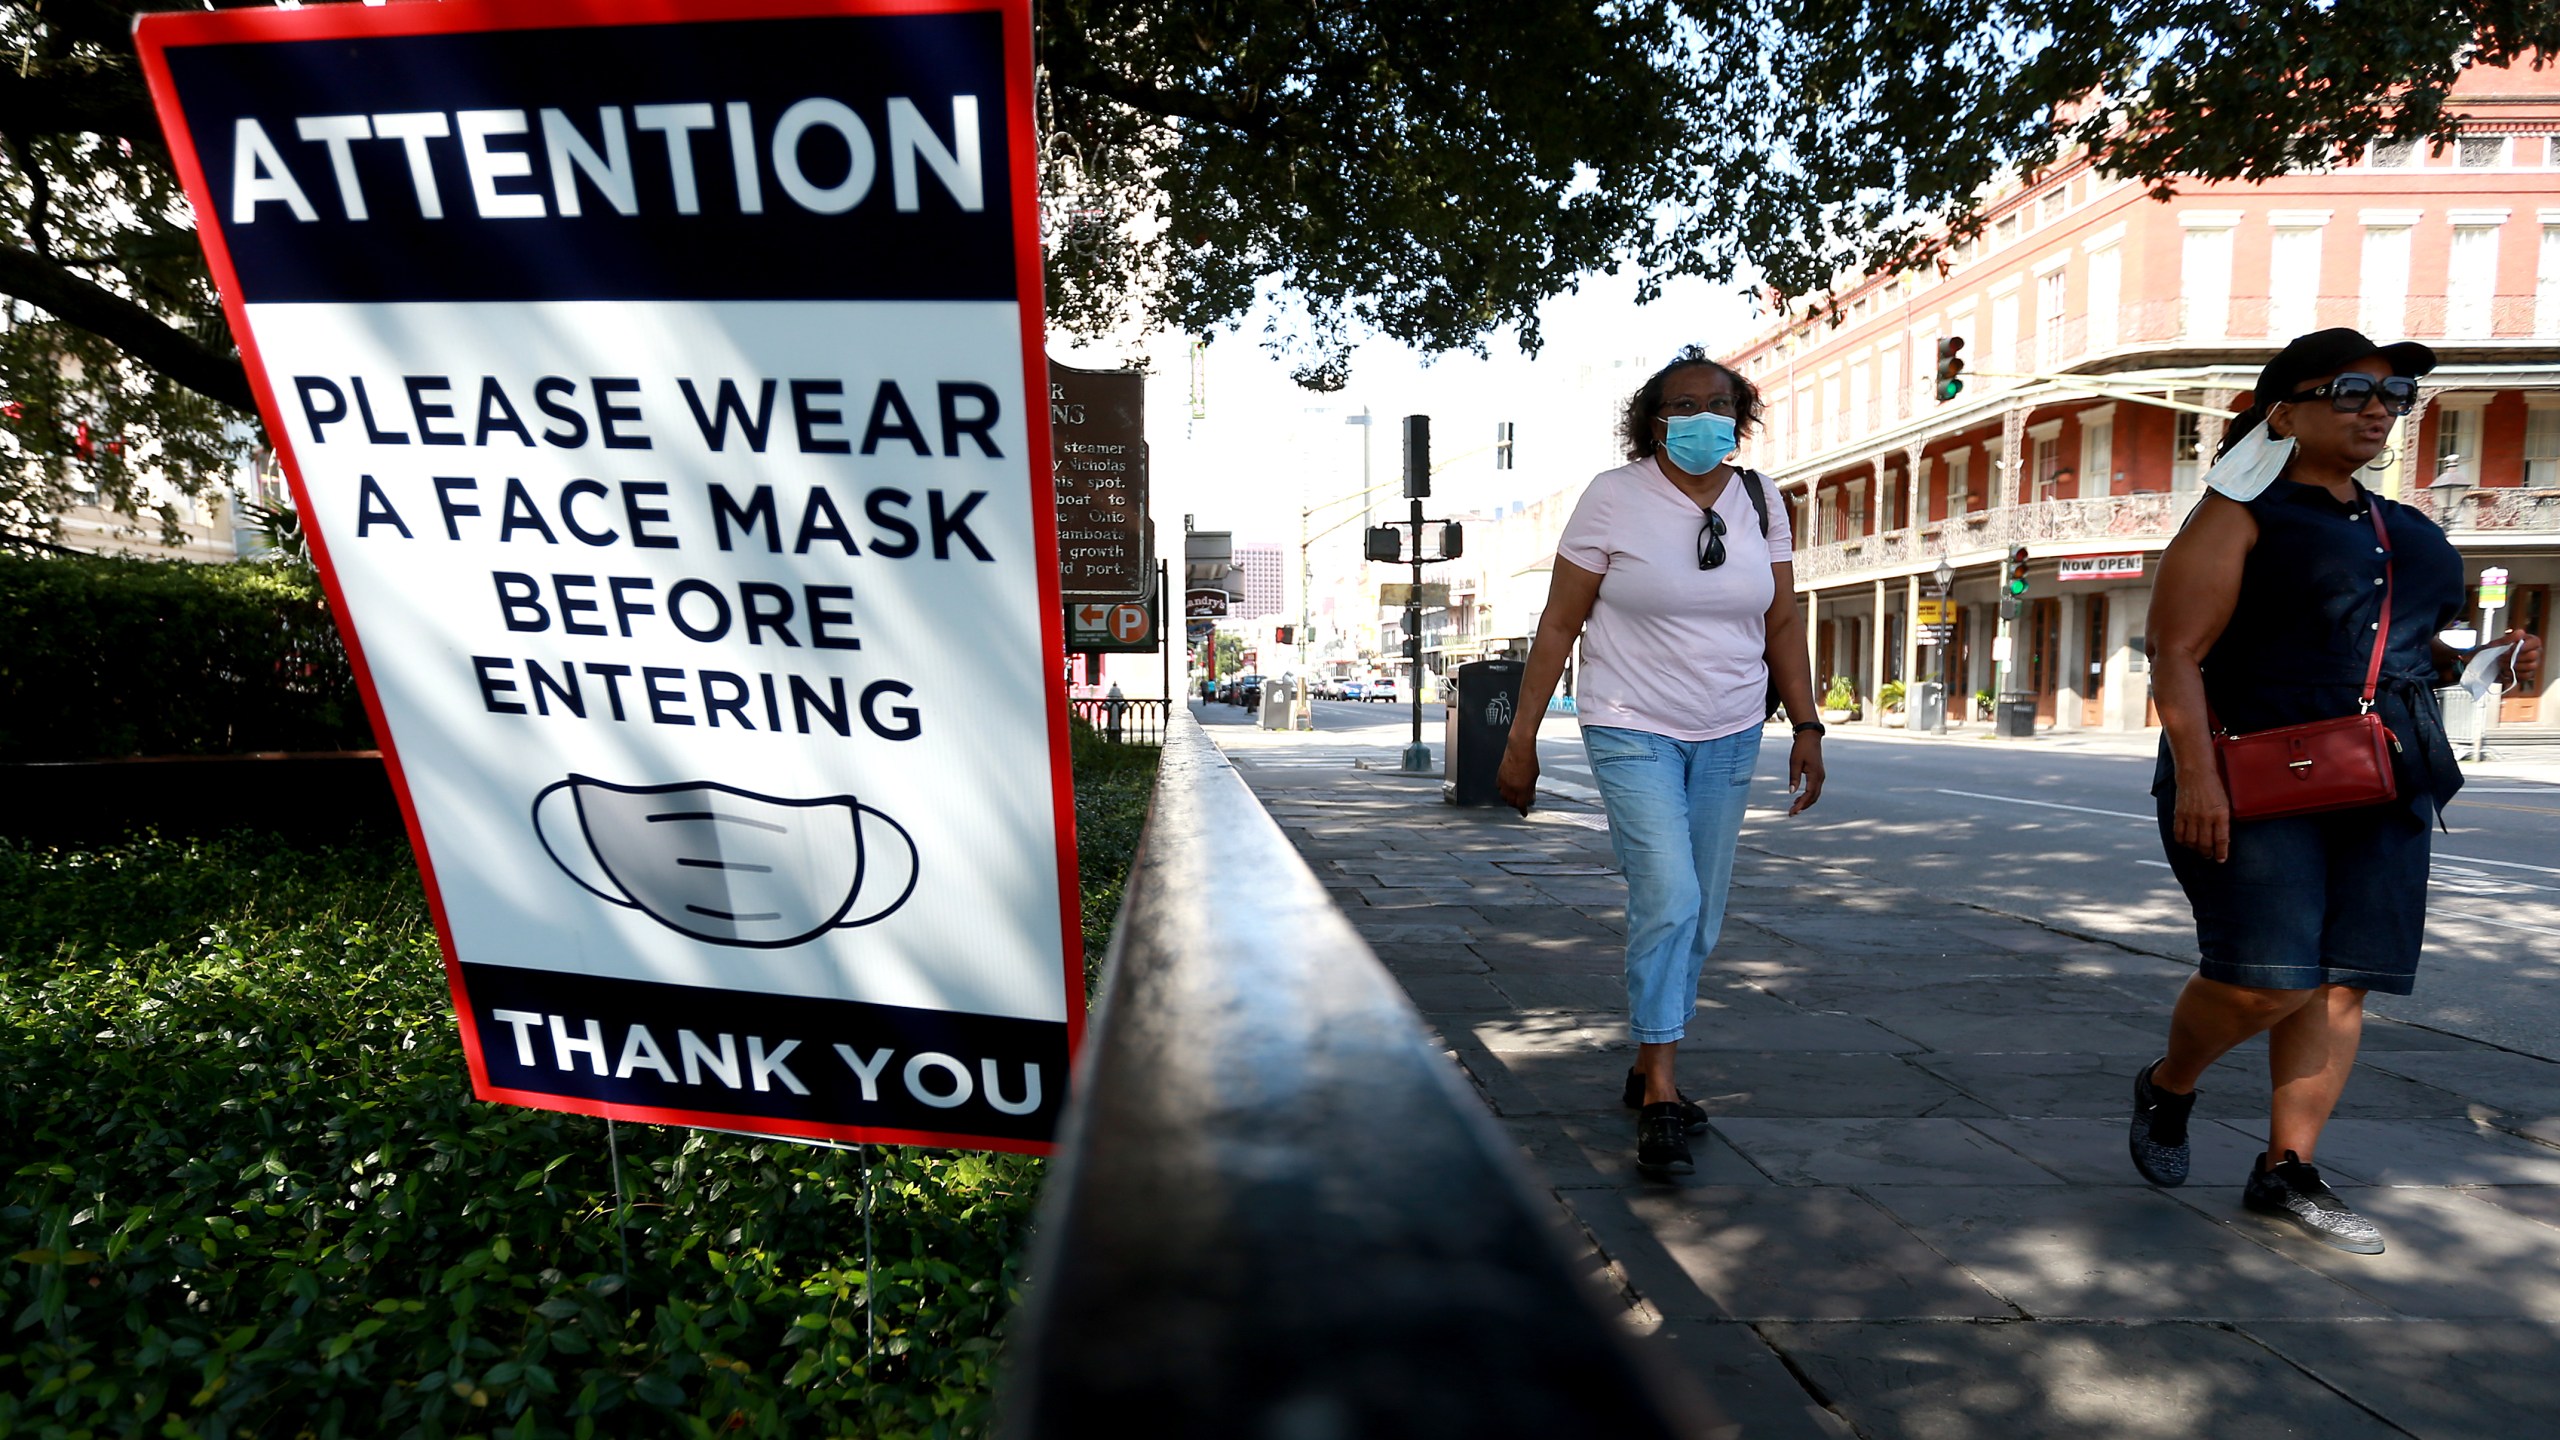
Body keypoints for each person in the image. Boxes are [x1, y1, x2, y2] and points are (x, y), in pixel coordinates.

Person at [2133, 328, 2542, 1253]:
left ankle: (2287, 1170)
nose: (2376, 408)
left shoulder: (2409, 530)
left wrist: (2485, 658)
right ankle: (2170, 1085)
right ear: (2283, 411)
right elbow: (2176, 651)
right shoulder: (2238, 514)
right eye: (2351, 389)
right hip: (2251, 774)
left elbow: (2405, 652)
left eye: (2392, 397)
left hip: (2385, 775)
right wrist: (2197, 775)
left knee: (2343, 985)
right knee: (2263, 982)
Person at [1495, 345, 1825, 1179]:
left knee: (1702, 912)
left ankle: (1647, 1060)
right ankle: (1665, 1093)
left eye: (1717, 403)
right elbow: (1558, 625)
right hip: (1629, 722)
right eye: (1681, 406)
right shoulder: (1613, 499)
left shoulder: (1759, 499)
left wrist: (1810, 726)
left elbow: (1782, 620)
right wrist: (1520, 739)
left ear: (1740, 417)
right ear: (1653, 422)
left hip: (1732, 730)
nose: (1700, 417)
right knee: (1669, 895)